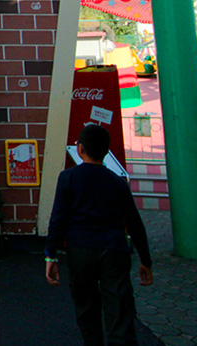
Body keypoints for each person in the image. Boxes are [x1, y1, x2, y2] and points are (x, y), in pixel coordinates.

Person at [45, 123, 153, 346]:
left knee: (86, 306)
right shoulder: (118, 183)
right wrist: (145, 261)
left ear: (80, 149)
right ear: (106, 151)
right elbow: (134, 223)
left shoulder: (68, 178)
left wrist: (50, 255)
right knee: (119, 308)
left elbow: (58, 219)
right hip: (114, 249)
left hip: (80, 249)